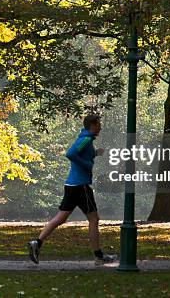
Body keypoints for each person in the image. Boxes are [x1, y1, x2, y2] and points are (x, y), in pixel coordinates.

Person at [28, 114, 115, 265]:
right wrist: (86, 165)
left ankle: (37, 243)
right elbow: (71, 154)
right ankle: (98, 256)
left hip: (72, 185)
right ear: (92, 125)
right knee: (94, 220)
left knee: (61, 218)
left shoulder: (85, 139)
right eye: (98, 124)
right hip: (80, 186)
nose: (100, 127)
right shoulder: (86, 139)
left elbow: (80, 152)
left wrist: (95, 153)